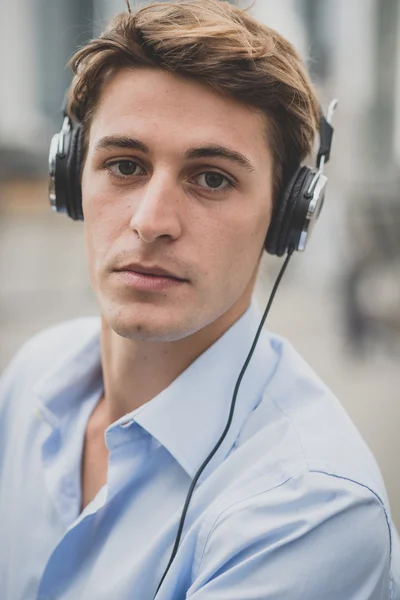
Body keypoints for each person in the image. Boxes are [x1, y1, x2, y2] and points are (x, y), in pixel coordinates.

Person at [0, 1, 398, 598]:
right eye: (125, 165)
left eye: (211, 177)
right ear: (71, 179)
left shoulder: (312, 507)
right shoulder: (35, 374)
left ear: (287, 218)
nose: (151, 221)